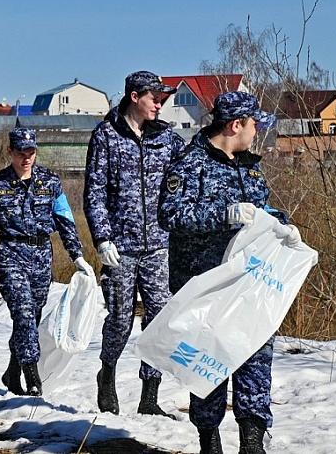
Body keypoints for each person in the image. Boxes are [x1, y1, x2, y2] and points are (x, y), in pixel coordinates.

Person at [158, 91, 301, 454]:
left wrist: (281, 225)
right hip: (204, 284)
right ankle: (209, 440)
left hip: (249, 282)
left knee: (255, 357)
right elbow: (170, 215)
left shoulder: (249, 165)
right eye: (254, 125)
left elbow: (259, 210)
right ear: (236, 125)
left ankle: (253, 441)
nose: (257, 132)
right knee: (209, 366)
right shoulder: (189, 163)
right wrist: (224, 215)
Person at [83, 71, 186, 417]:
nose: (160, 104)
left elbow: (192, 167)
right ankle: (107, 373)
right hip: (120, 247)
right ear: (134, 96)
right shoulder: (106, 136)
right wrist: (102, 238)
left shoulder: (167, 138)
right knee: (120, 318)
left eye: (162, 98)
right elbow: (95, 192)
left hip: (158, 245)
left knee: (159, 319)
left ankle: (149, 395)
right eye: (154, 98)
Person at [0, 128, 94, 396]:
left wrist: (77, 255)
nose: (26, 159)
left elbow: (65, 220)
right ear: (10, 152)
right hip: (11, 253)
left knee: (31, 318)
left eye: (31, 153)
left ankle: (12, 371)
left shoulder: (50, 182)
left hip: (41, 255)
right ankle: (33, 378)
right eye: (20, 153)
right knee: (24, 313)